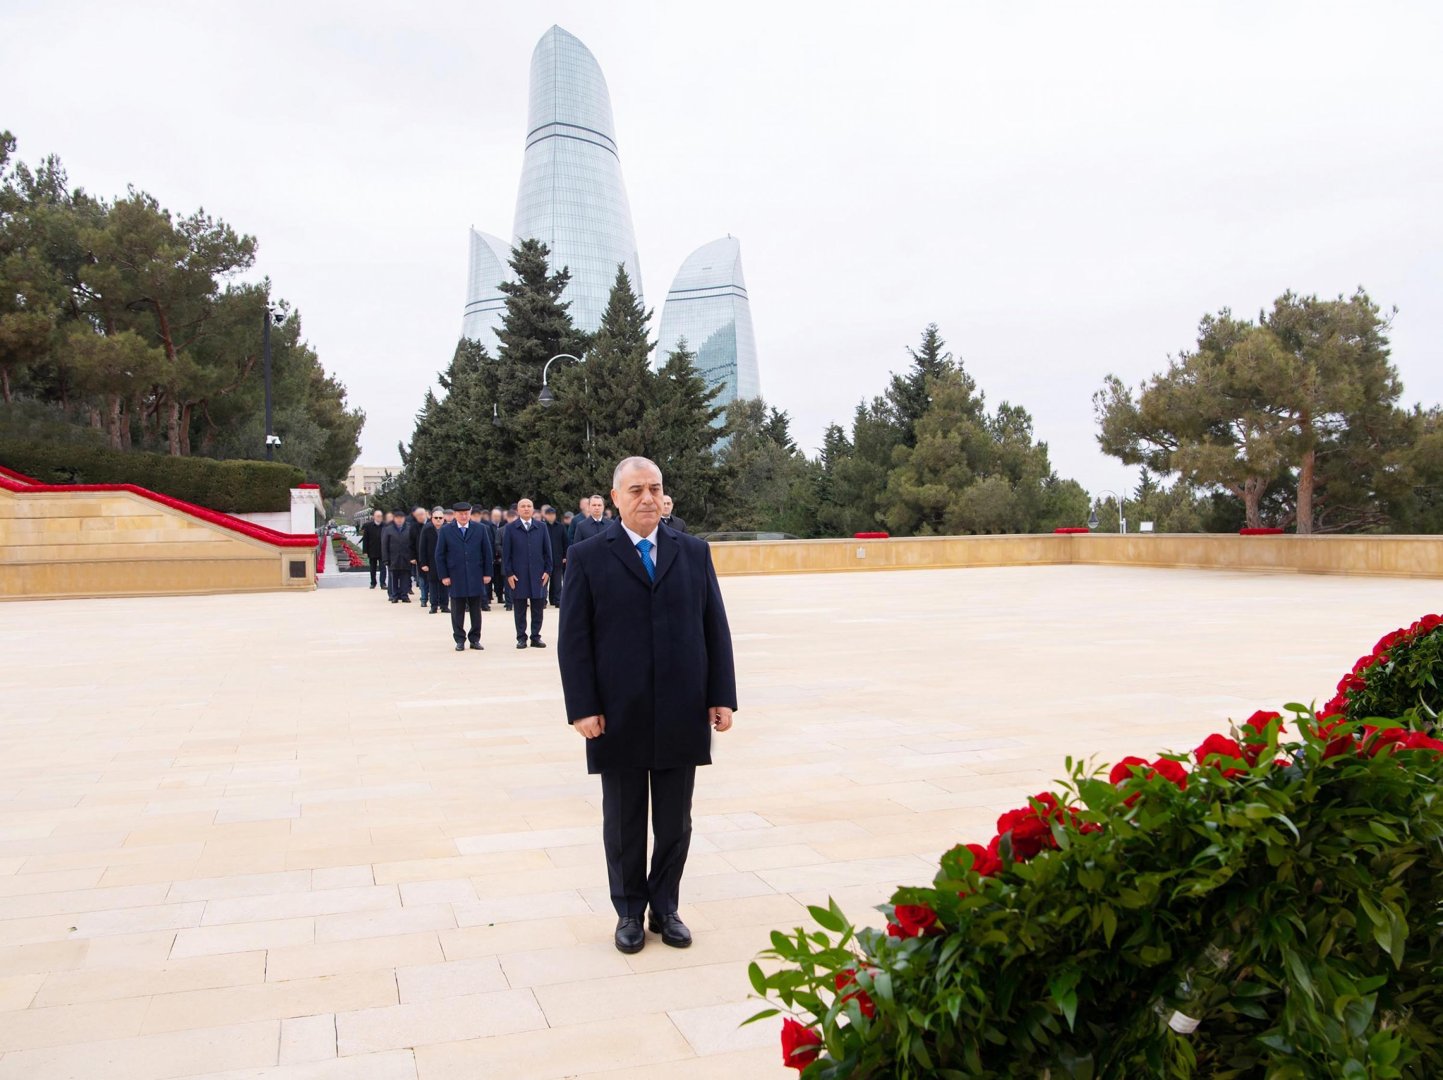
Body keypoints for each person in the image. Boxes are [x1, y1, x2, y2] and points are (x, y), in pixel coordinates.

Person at [558, 456, 737, 955]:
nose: (647, 499)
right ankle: (629, 913)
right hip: (618, 714)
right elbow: (573, 640)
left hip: (682, 707)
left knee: (676, 822)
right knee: (625, 821)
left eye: (654, 489)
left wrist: (721, 695)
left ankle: (666, 907)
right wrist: (582, 707)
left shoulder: (694, 552)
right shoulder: (590, 556)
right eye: (636, 490)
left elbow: (713, 627)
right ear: (614, 498)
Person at [434, 502, 494, 652]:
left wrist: (487, 573)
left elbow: (487, 552)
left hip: (476, 574)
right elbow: (440, 555)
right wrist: (444, 575)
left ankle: (475, 639)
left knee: (476, 609)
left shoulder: (480, 529)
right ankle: (459, 639)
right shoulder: (446, 530)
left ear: (470, 513)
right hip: (456, 576)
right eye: (460, 513)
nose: (463, 516)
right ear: (455, 515)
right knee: (457, 610)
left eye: (466, 513)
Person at [503, 497, 552, 649]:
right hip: (518, 575)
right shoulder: (511, 528)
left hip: (538, 574)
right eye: (523, 506)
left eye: (529, 506)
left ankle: (535, 636)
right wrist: (509, 573)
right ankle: (521, 637)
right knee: (519, 607)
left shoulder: (541, 527)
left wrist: (548, 571)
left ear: (533, 509)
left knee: (538, 607)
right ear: (518, 510)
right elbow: (506, 554)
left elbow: (547, 551)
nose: (526, 508)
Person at [419, 507, 449, 614]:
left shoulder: (447, 529)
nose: (438, 520)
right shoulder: (427, 529)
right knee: (432, 584)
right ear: (432, 518)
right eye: (435, 517)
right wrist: (423, 563)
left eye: (440, 518)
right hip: (431, 562)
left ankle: (444, 605)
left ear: (444, 518)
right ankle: (434, 605)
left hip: (445, 562)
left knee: (445, 584)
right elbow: (422, 547)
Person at [382, 509, 414, 603]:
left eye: (401, 518)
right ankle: (394, 595)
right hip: (393, 558)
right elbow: (384, 545)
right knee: (394, 578)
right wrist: (385, 559)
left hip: (406, 558)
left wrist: (413, 557)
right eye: (397, 518)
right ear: (394, 519)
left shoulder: (409, 528)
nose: (399, 520)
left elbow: (413, 544)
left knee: (405, 578)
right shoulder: (388, 529)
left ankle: (404, 595)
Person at [543, 505, 569, 607]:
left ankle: (557, 600)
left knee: (557, 581)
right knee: (544, 581)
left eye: (553, 514)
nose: (551, 516)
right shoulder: (542, 526)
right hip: (545, 559)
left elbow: (565, 542)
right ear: (546, 516)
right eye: (549, 514)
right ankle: (543, 601)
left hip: (558, 558)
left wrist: (565, 556)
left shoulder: (561, 527)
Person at [409, 507, 430, 610]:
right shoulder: (414, 527)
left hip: (432, 556)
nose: (420, 517)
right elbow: (411, 543)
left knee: (433, 579)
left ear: (425, 514)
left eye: (421, 514)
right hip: (420, 556)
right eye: (417, 516)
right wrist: (412, 557)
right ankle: (424, 598)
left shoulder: (431, 524)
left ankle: (434, 598)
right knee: (422, 579)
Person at [360, 509, 385, 588]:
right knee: (373, 568)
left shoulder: (385, 525)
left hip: (382, 551)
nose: (379, 518)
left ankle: (383, 583)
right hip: (372, 550)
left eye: (380, 516)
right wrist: (365, 551)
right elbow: (365, 539)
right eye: (377, 516)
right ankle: (373, 583)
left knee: (383, 568)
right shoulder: (368, 526)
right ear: (374, 517)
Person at [490, 507, 508, 609]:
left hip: (504, 558)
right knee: (496, 578)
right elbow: (495, 543)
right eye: (494, 516)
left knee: (502, 579)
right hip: (495, 557)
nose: (496, 518)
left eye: (498, 516)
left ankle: (503, 597)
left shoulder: (503, 526)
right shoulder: (489, 526)